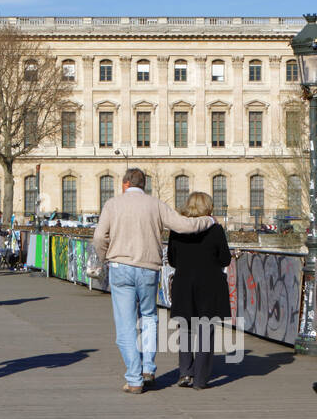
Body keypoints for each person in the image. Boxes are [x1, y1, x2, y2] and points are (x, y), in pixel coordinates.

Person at [92, 168, 215, 394]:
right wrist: (208, 220)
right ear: (144, 184)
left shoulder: (112, 205)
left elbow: (99, 237)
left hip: (121, 266)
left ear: (125, 184)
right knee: (149, 317)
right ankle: (148, 368)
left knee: (126, 326)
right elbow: (184, 225)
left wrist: (104, 257)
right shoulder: (155, 204)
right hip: (149, 268)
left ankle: (134, 377)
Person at [166, 192, 232, 390]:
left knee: (185, 328)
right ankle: (201, 379)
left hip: (184, 283)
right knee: (206, 329)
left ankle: (185, 372)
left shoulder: (177, 230)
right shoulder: (216, 230)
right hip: (210, 284)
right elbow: (225, 259)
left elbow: (172, 259)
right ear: (208, 208)